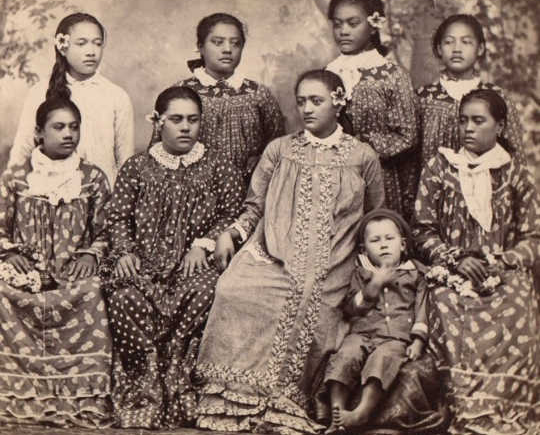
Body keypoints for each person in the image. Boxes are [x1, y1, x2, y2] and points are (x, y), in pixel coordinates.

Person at [195, 69, 384, 434]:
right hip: (273, 253)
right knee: (232, 289)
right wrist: (230, 233)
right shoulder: (279, 150)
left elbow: (375, 218)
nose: (307, 109)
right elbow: (254, 207)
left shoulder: (362, 156)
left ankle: (282, 399)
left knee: (308, 296)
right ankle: (236, 399)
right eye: (302, 101)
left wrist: (371, 267)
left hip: (333, 262)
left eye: (317, 100)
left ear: (339, 100)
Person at [100, 86, 245, 429]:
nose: (185, 128)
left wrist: (203, 244)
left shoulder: (217, 166)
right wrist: (123, 252)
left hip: (192, 263)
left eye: (193, 121)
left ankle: (179, 379)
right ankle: (145, 382)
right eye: (176, 120)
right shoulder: (137, 167)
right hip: (145, 263)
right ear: (159, 121)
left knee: (207, 290)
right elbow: (118, 216)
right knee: (124, 295)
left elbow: (231, 213)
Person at [413, 88, 540, 434]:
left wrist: (504, 261)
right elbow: (422, 231)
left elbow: (533, 237)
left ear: (499, 126)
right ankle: (467, 410)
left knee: (517, 309)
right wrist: (454, 259)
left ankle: (506, 411)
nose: (468, 128)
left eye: (478, 121)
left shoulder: (514, 172)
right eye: (463, 120)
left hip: (503, 272)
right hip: (451, 273)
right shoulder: (439, 167)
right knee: (448, 305)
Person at [0, 98, 112, 427]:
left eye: (74, 127)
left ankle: (78, 397)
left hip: (73, 274)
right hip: (26, 273)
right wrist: (9, 252)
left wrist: (92, 253)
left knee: (92, 293)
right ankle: (18, 393)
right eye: (58, 127)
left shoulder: (92, 178)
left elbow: (107, 229)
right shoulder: (16, 178)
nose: (68, 134)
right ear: (38, 133)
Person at [322, 208, 428, 434]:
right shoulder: (361, 272)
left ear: (403, 244)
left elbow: (422, 308)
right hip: (361, 334)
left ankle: (362, 412)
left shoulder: (416, 273)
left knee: (383, 359)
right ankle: (337, 414)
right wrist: (373, 285)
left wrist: (418, 340)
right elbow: (350, 308)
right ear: (364, 249)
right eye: (375, 240)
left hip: (394, 337)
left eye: (390, 239)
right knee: (345, 355)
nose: (383, 245)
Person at [8, 12, 134, 186]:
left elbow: (126, 161)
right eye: (81, 44)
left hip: (102, 199)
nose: (91, 52)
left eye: (97, 44)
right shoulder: (39, 92)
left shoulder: (116, 96)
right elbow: (22, 150)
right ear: (63, 47)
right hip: (50, 195)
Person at [326, 0, 418, 220]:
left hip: (379, 175)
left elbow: (408, 135)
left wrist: (364, 146)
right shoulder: (329, 72)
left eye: (352, 23)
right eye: (337, 24)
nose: (343, 31)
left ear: (374, 25)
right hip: (334, 173)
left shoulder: (392, 76)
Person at [170, 12, 284, 180]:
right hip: (193, 191)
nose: (227, 49)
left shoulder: (258, 94)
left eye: (235, 43)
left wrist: (260, 161)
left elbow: (278, 143)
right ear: (200, 46)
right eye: (217, 42)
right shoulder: (181, 92)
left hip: (248, 192)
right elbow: (161, 147)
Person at [416, 14, 526, 169]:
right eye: (449, 42)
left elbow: (515, 155)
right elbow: (410, 160)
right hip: (432, 189)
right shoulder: (423, 98)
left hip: (487, 189)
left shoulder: (497, 97)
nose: (457, 49)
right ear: (439, 49)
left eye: (466, 42)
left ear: (480, 48)